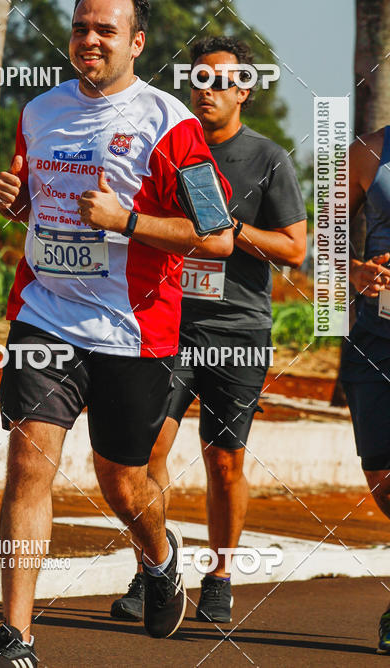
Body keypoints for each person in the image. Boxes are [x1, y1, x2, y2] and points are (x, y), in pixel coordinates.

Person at [0, 0, 234, 667]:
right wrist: (21, 206)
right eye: (81, 27)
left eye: (106, 31)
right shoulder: (38, 111)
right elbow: (49, 217)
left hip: (134, 329)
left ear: (136, 43)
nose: (90, 39)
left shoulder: (170, 123)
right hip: (45, 315)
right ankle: (16, 640)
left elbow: (218, 236)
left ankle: (157, 555)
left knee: (121, 482)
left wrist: (130, 222)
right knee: (29, 464)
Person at [111, 36, 307, 624]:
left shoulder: (267, 158)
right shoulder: (167, 148)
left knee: (224, 461)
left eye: (223, 80)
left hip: (238, 331)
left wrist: (228, 229)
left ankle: (220, 575)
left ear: (245, 89)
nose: (209, 90)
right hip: (168, 322)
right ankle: (154, 569)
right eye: (199, 78)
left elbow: (295, 248)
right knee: (147, 452)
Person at [341, 48, 390, 657]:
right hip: (376, 339)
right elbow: (320, 240)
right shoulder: (371, 151)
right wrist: (353, 273)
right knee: (384, 479)